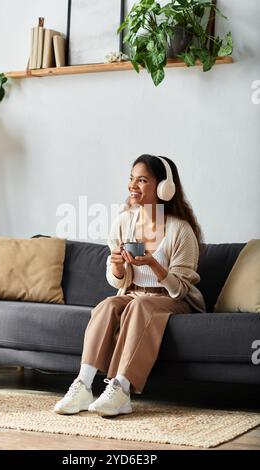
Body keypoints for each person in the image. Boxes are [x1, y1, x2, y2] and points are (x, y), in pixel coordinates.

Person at [54, 155, 206, 417]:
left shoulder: (181, 231)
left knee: (141, 304)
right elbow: (117, 280)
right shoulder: (124, 222)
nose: (133, 185)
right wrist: (117, 267)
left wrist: (154, 265)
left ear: (163, 187)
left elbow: (180, 289)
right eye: (131, 178)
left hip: (173, 300)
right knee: (107, 305)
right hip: (135, 294)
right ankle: (83, 385)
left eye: (142, 180)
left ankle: (120, 389)